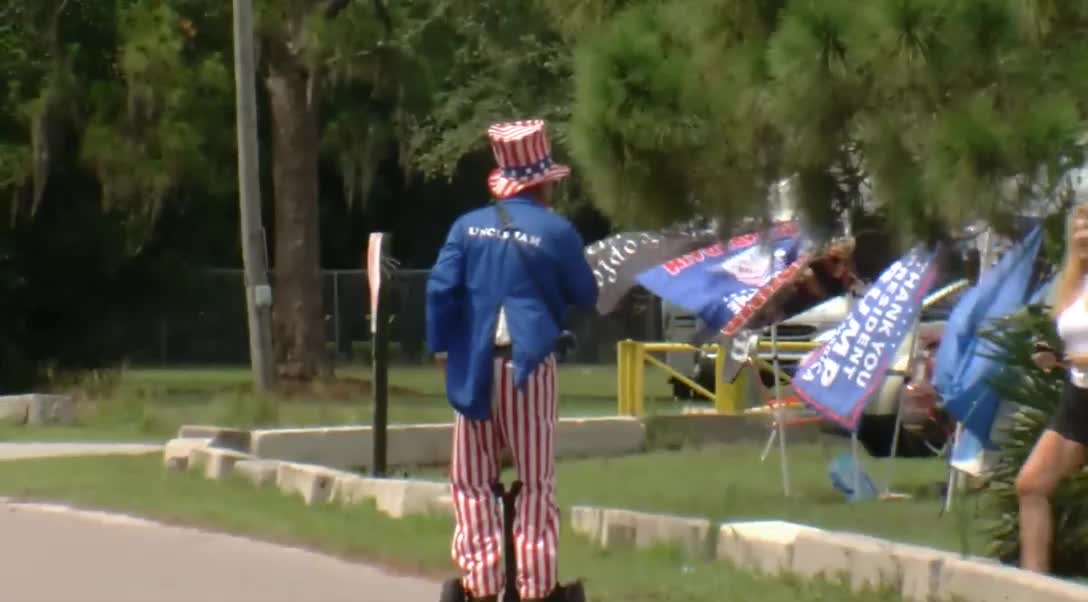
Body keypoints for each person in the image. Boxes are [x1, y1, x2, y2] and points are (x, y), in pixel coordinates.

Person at [426, 119, 598, 602]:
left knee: (472, 479)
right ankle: (536, 587)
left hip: (475, 367)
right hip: (529, 367)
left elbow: (440, 290)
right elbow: (586, 293)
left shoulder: (466, 227)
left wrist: (442, 350)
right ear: (543, 181)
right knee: (537, 479)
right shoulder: (557, 230)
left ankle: (479, 586)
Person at [1016, 203, 1088, 573]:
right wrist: (1052, 354)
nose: (1082, 234)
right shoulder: (1075, 282)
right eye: (1079, 226)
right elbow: (1072, 339)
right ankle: (1035, 590)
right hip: (1078, 399)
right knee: (1031, 485)